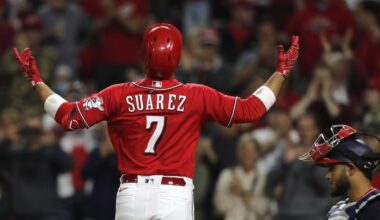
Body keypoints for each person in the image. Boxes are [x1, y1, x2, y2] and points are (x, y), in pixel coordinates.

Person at [12, 23, 299, 220]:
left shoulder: (118, 94)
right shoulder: (196, 95)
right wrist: (281, 73)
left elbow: (68, 117)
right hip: (174, 196)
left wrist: (37, 81)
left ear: (143, 54)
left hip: (132, 194)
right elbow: (252, 109)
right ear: (177, 55)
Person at [299, 124, 380, 219]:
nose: (327, 175)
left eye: (332, 169)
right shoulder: (338, 209)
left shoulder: (376, 208)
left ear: (351, 170)